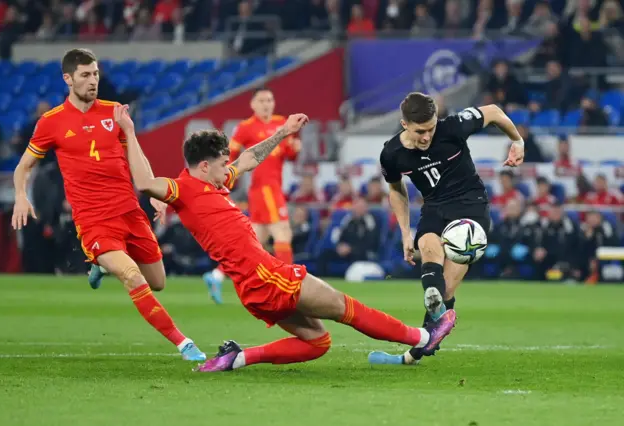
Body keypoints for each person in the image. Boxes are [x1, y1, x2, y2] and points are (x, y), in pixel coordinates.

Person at [113, 104, 457, 373]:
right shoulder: (182, 189)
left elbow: (248, 158)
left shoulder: (211, 183)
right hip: (266, 275)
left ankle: (237, 359)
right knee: (342, 306)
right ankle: (424, 336)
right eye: (221, 165)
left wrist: (283, 131)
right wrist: (128, 130)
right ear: (204, 166)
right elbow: (144, 182)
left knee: (317, 342)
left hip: (252, 286)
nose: (227, 170)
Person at [11, 48, 205, 362]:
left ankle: (100, 264)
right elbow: (23, 167)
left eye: (96, 74)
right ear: (68, 78)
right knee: (132, 275)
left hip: (129, 211)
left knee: (158, 282)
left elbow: (136, 157)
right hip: (93, 220)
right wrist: (21, 195)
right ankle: (184, 344)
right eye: (85, 75)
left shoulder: (115, 112)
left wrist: (154, 189)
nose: (93, 81)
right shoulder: (51, 122)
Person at [372, 92, 524, 366]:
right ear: (404, 124)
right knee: (427, 247)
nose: (427, 136)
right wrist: (406, 232)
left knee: (445, 289)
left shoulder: (452, 127)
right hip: (434, 207)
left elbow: (492, 111)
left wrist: (517, 140)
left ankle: (416, 349)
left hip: (471, 206)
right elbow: (396, 190)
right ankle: (436, 316)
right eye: (420, 131)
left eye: (431, 128)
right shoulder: (391, 154)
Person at [202, 87, 301, 304]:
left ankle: (217, 275)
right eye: (262, 100)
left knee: (254, 242)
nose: (266, 104)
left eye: (270, 99)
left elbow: (289, 154)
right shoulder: (246, 128)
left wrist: (295, 148)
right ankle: (291, 287)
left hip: (272, 187)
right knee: (283, 233)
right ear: (253, 105)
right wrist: (222, 175)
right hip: (264, 189)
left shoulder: (281, 123)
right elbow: (230, 154)